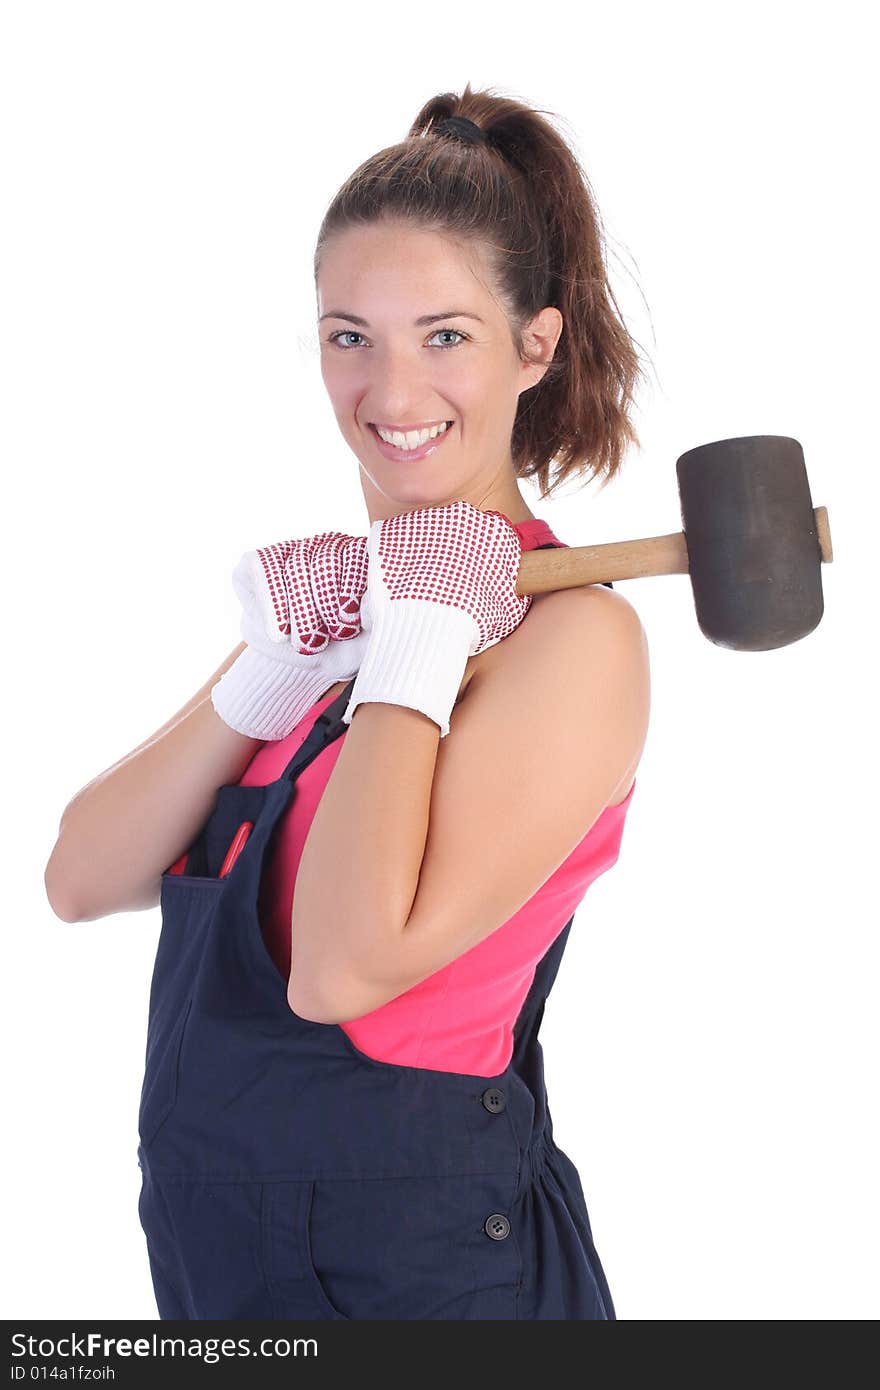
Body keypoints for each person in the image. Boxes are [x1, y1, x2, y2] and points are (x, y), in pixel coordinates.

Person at [44, 84, 651, 1320]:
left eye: (443, 336)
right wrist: (276, 670)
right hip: (226, 1279)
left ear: (532, 347)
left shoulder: (572, 643)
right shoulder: (339, 626)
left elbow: (339, 968)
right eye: (347, 336)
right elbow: (78, 877)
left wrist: (418, 642)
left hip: (432, 1278)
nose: (390, 388)